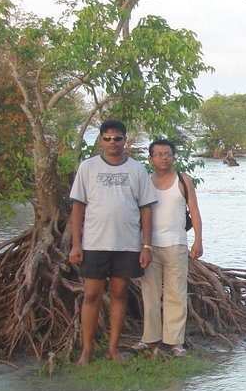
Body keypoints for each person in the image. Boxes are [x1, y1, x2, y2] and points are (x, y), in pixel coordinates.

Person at [68, 119, 157, 364]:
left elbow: (146, 209)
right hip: (94, 242)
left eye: (117, 138)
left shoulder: (137, 170)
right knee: (92, 294)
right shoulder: (88, 167)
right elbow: (78, 207)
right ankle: (87, 350)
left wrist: (146, 246)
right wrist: (77, 244)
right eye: (107, 138)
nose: (112, 143)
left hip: (127, 243)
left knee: (119, 293)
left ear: (124, 140)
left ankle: (113, 349)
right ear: (100, 140)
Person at [135, 138, 203, 358]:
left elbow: (194, 210)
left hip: (176, 243)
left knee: (176, 293)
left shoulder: (183, 180)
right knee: (150, 293)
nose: (164, 158)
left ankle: (175, 342)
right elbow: (135, 213)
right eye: (159, 154)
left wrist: (198, 240)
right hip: (148, 244)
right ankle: (149, 338)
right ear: (151, 158)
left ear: (173, 156)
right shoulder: (144, 181)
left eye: (167, 154)